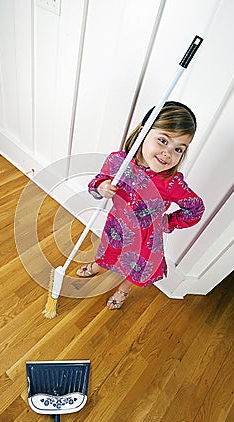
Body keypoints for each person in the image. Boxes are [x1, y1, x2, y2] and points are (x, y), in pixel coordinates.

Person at [76, 101, 205, 309]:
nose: (168, 153)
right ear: (143, 132)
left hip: (146, 240)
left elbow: (196, 208)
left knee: (135, 268)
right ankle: (99, 266)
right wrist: (101, 187)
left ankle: (123, 290)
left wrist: (167, 223)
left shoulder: (171, 182)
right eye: (163, 140)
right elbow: (97, 181)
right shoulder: (118, 161)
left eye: (178, 149)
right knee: (108, 251)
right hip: (116, 227)